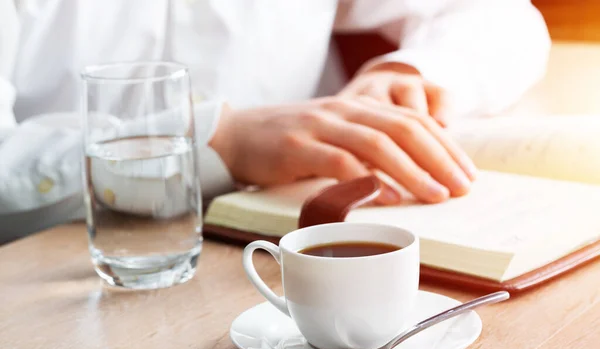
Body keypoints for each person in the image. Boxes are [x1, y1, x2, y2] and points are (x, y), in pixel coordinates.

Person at [0, 0, 550, 242]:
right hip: (64, 267)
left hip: (293, 248)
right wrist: (218, 141)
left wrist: (406, 71)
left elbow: (500, 16)